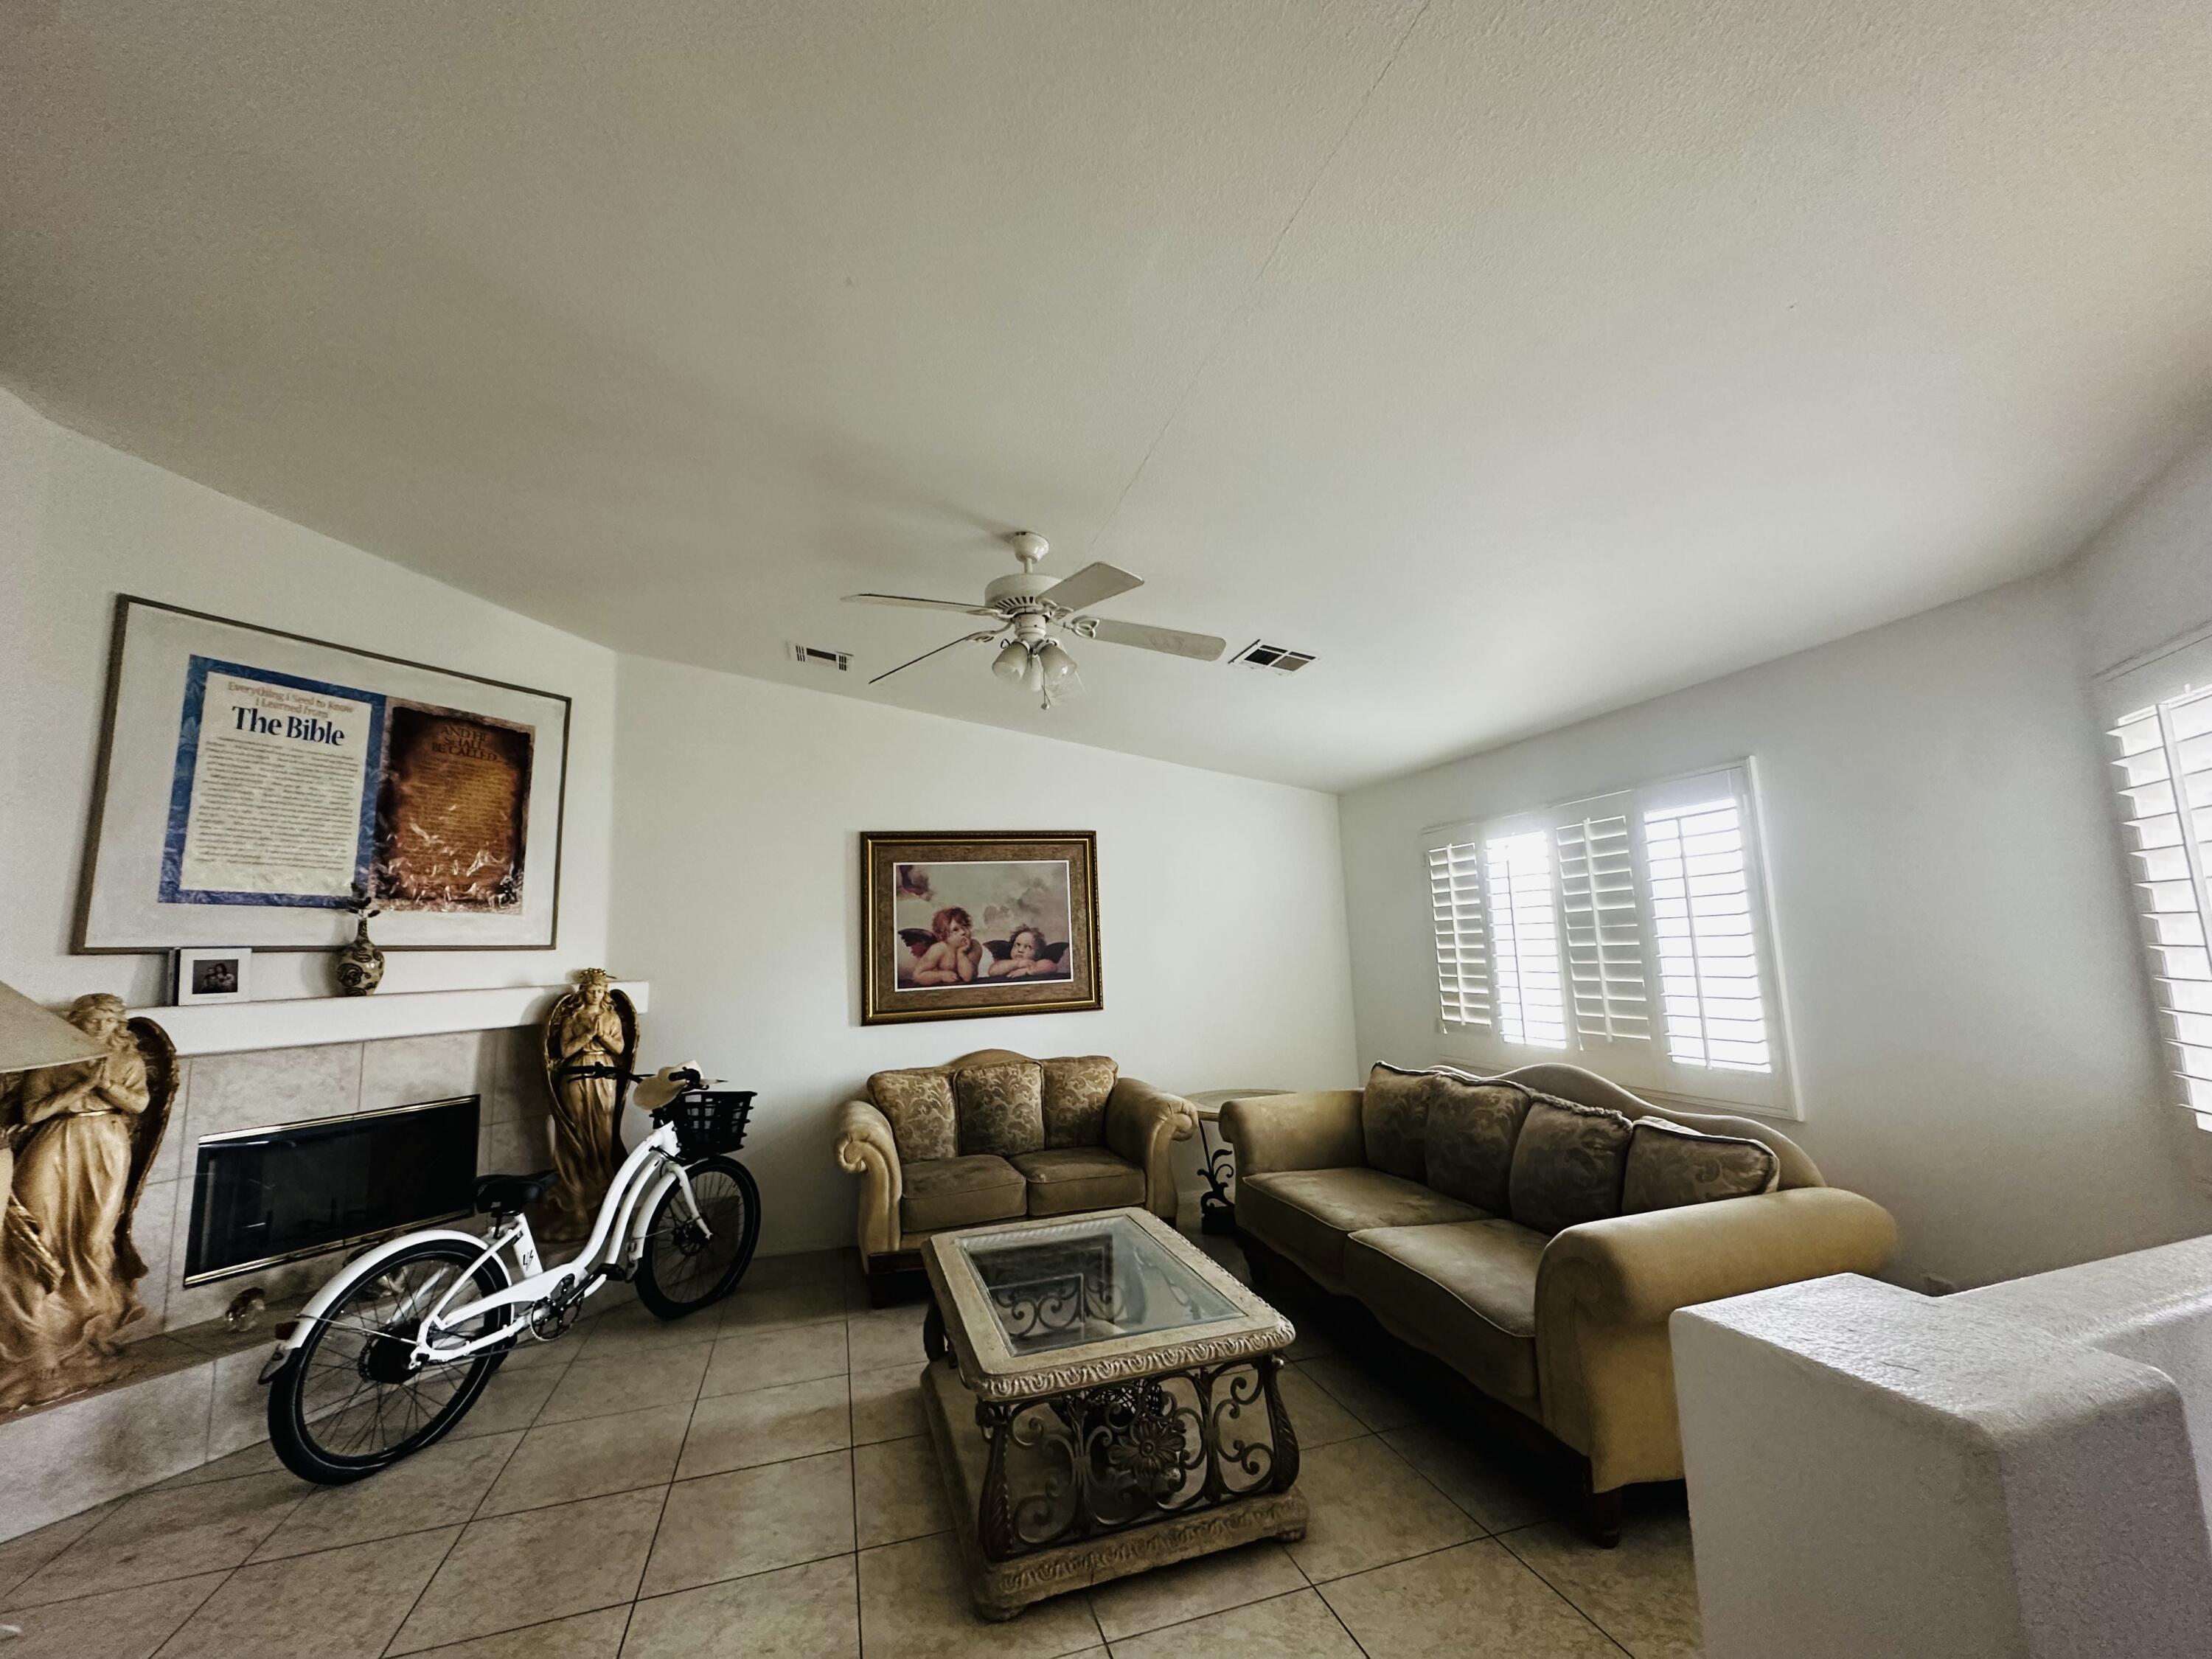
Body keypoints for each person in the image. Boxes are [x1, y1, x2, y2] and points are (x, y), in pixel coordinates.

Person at [909, 907, 981, 984]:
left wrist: (961, 954)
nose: (963, 932)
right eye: (955, 930)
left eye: (965, 926)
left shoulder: (974, 946)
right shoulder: (939, 949)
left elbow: (968, 977)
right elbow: (917, 976)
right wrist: (941, 976)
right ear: (943, 936)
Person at [987, 924, 1063, 979]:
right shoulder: (1007, 963)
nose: (1020, 950)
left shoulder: (1036, 963)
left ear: (1037, 954)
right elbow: (992, 971)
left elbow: (1052, 967)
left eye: (1028, 947)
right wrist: (1018, 964)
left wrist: (1028, 971)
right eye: (1017, 945)